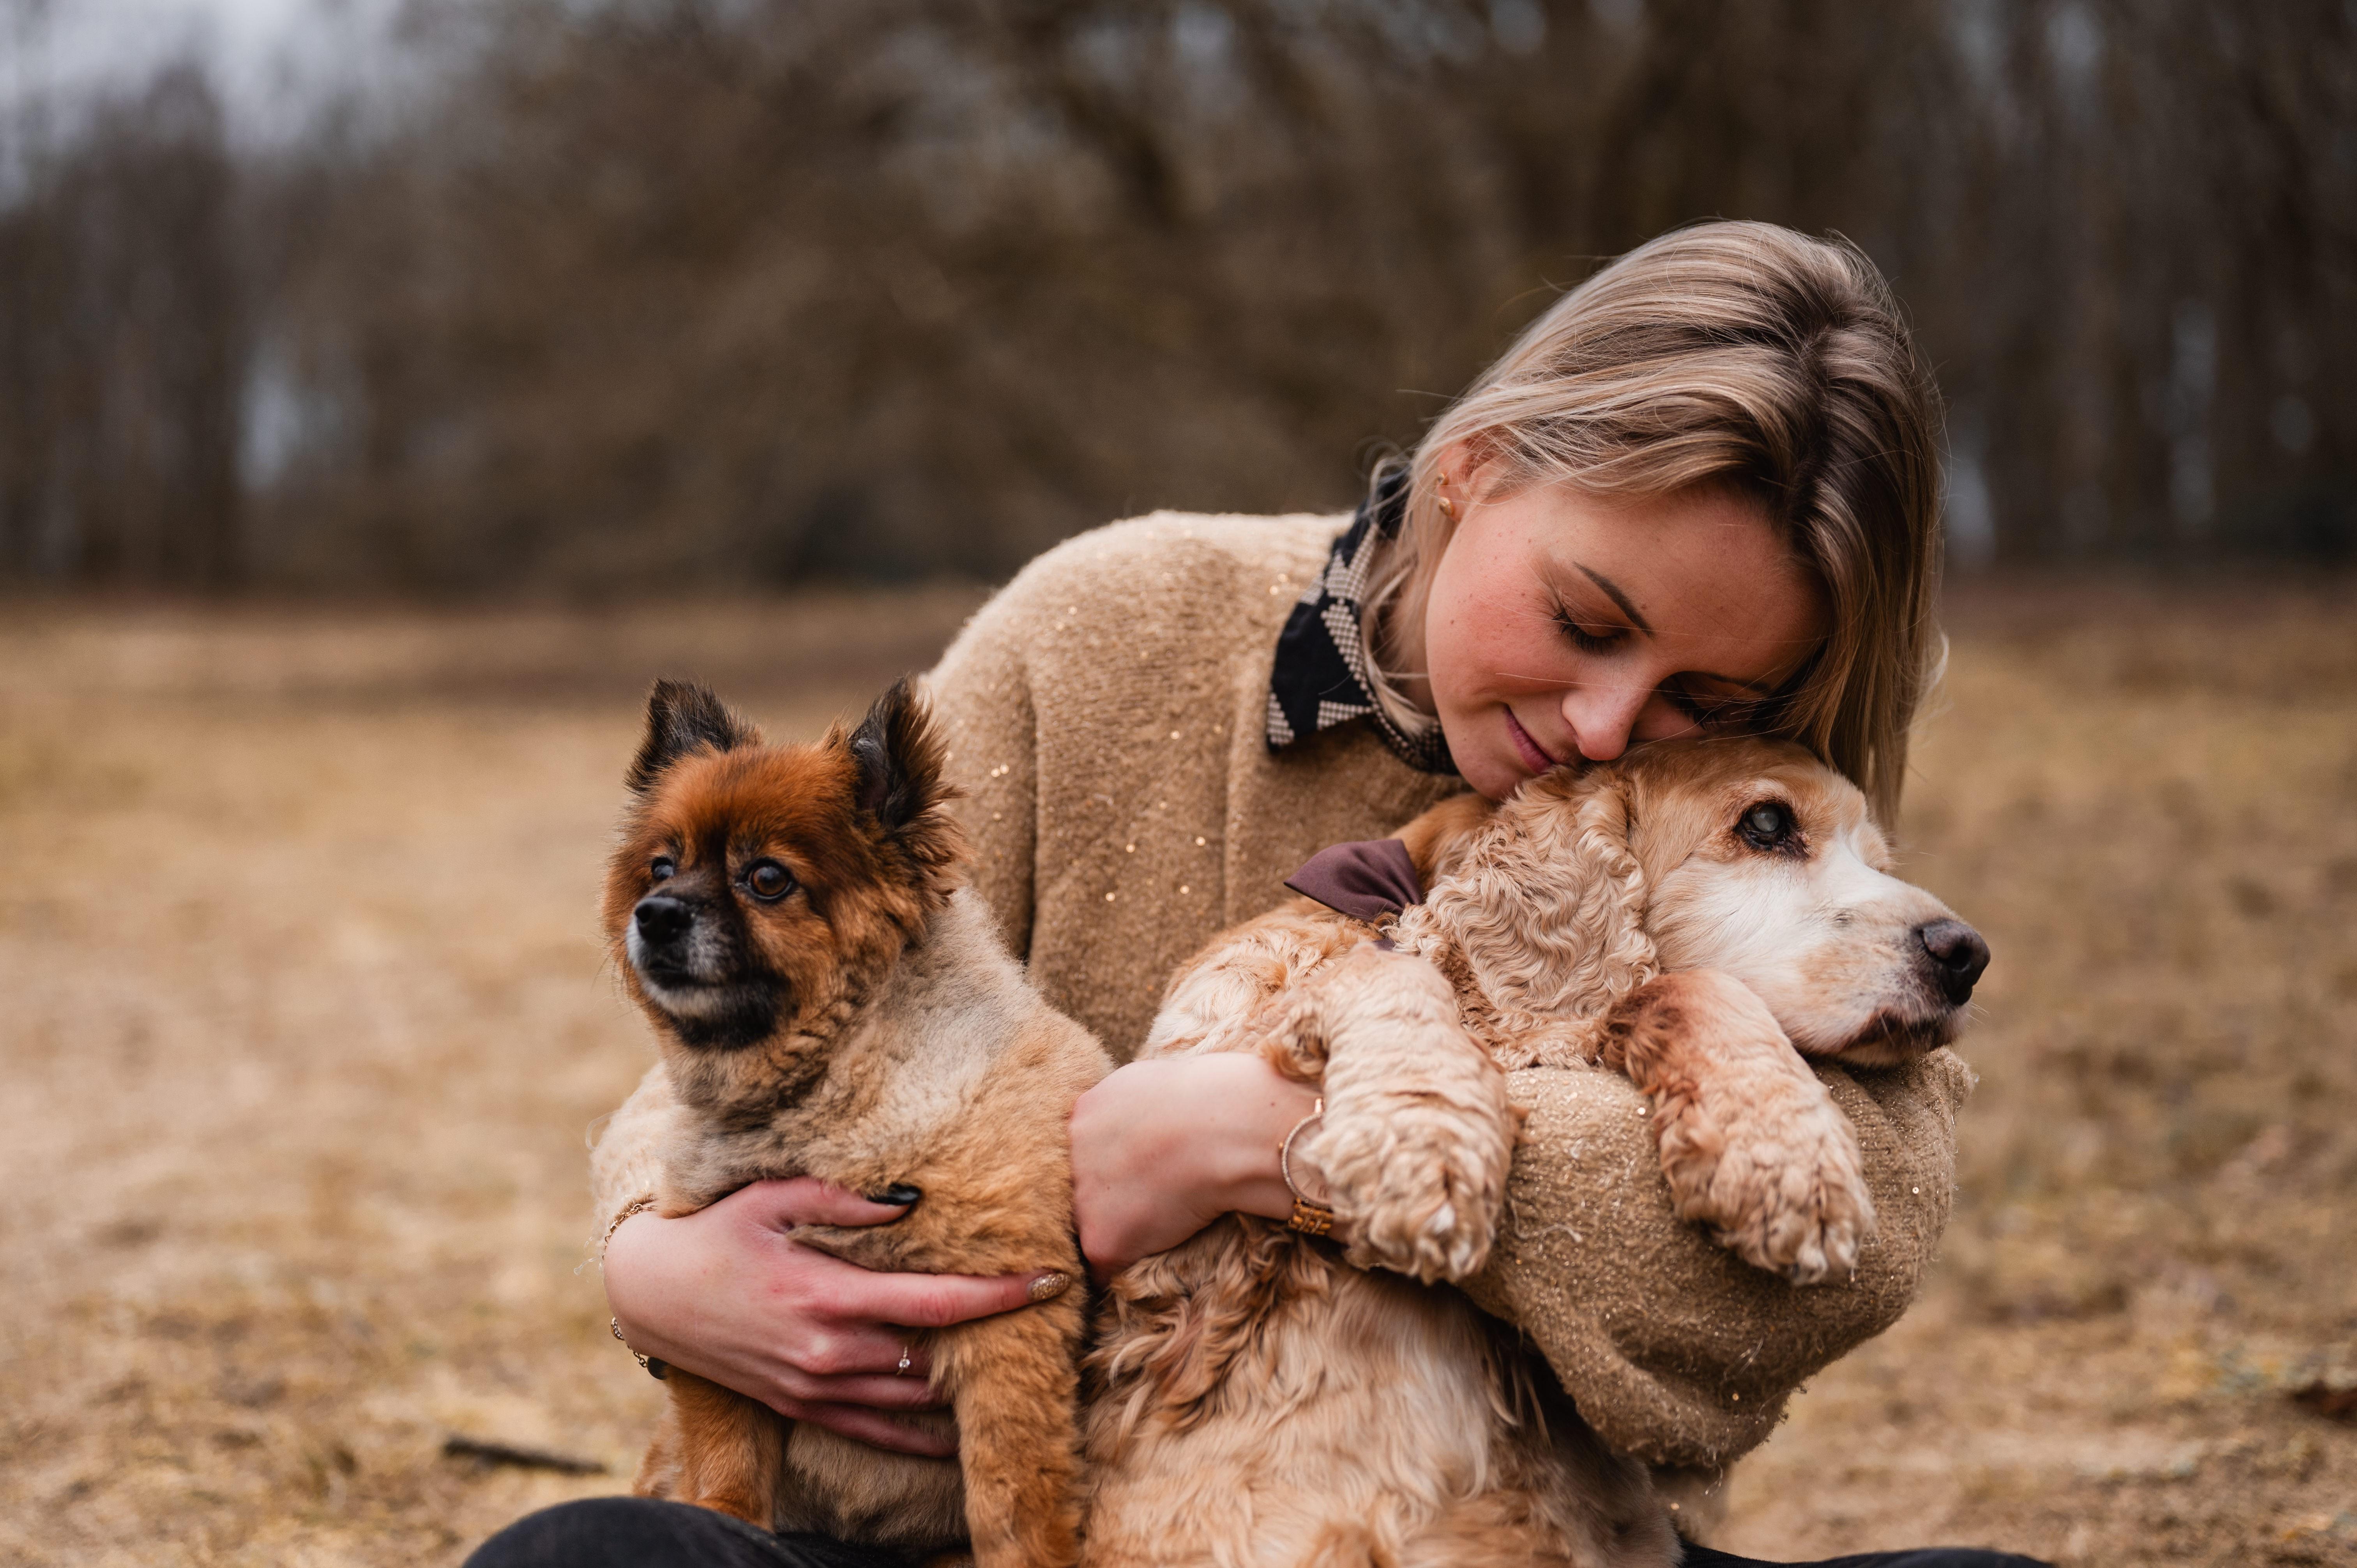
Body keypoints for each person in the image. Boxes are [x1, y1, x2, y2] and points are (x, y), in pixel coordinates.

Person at [471, 222, 2047, 1568]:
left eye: (1706, 693)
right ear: (1473, 471)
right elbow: (752, 1034)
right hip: (1030, 1524)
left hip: (1512, 1529)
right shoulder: (1118, 626)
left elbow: (1873, 1214)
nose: (1607, 724)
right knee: (582, 1561)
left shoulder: (1764, 814)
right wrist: (650, 1258)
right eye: (1581, 617)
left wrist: (1255, 1140)